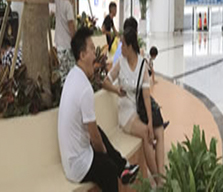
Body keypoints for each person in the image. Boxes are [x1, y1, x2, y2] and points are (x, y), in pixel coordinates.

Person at [58, 28, 140, 192]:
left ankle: (123, 167)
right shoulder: (85, 88)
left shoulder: (73, 76)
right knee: (109, 170)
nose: (95, 54)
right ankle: (120, 167)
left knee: (98, 130)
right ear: (82, 55)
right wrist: (104, 154)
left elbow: (94, 131)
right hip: (77, 166)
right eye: (92, 49)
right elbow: (94, 139)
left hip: (71, 158)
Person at [110, 27, 166, 180]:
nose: (121, 47)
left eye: (123, 44)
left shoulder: (142, 64)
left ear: (130, 46)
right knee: (146, 133)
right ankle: (158, 180)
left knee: (159, 131)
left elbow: (146, 96)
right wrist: (116, 89)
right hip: (126, 113)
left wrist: (150, 122)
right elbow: (106, 81)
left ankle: (161, 175)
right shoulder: (120, 63)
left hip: (139, 109)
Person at [54, 0, 77, 80]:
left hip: (59, 45)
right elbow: (71, 24)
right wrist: (75, 39)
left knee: (63, 72)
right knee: (72, 72)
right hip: (68, 45)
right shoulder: (68, 6)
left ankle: (63, 87)